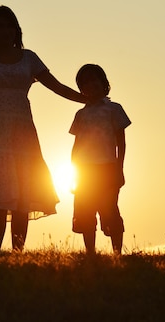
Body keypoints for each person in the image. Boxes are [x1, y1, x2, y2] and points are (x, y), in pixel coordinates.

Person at [0, 6, 86, 252]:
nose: (4, 31)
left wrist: (85, 99)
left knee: (22, 194)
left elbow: (56, 86)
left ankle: (18, 253)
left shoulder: (29, 58)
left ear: (16, 30)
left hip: (21, 129)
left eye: (8, 26)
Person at [69, 64, 131, 255]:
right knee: (86, 211)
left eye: (94, 80)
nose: (90, 86)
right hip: (85, 170)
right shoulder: (81, 114)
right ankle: (90, 252)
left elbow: (121, 142)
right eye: (84, 83)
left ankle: (117, 253)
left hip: (107, 167)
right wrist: (73, 173)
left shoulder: (113, 109)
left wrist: (119, 169)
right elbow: (77, 145)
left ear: (103, 83)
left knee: (109, 209)